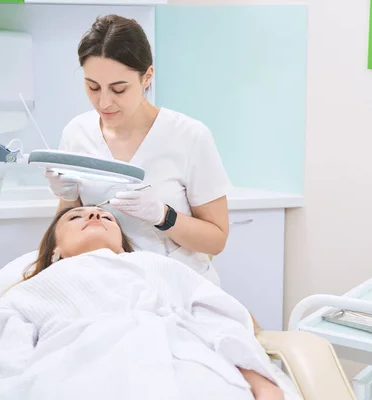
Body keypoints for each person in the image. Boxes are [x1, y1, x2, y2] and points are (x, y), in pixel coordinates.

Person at [0, 206, 295, 400]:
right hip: (75, 371)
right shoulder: (36, 287)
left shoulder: (158, 267)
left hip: (183, 365)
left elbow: (220, 322)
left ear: (124, 247)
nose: (94, 216)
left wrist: (262, 384)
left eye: (106, 216)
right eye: (75, 216)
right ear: (55, 251)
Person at [44, 14, 232, 286]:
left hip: (179, 285)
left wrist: (163, 216)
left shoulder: (190, 136)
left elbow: (216, 240)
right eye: (92, 87)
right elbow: (68, 229)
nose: (104, 102)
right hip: (105, 286)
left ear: (147, 76)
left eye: (118, 89)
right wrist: (68, 197)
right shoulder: (77, 133)